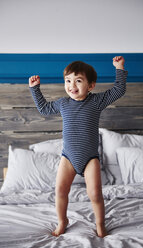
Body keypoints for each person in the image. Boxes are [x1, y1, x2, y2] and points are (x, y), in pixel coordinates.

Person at [29, 56, 128, 238]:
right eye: (68, 81)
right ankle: (62, 221)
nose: (71, 85)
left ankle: (100, 224)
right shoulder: (63, 103)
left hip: (90, 158)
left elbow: (119, 89)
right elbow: (43, 109)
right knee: (60, 191)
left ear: (91, 85)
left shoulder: (96, 101)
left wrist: (119, 68)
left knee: (95, 194)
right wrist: (35, 89)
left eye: (78, 81)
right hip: (68, 157)